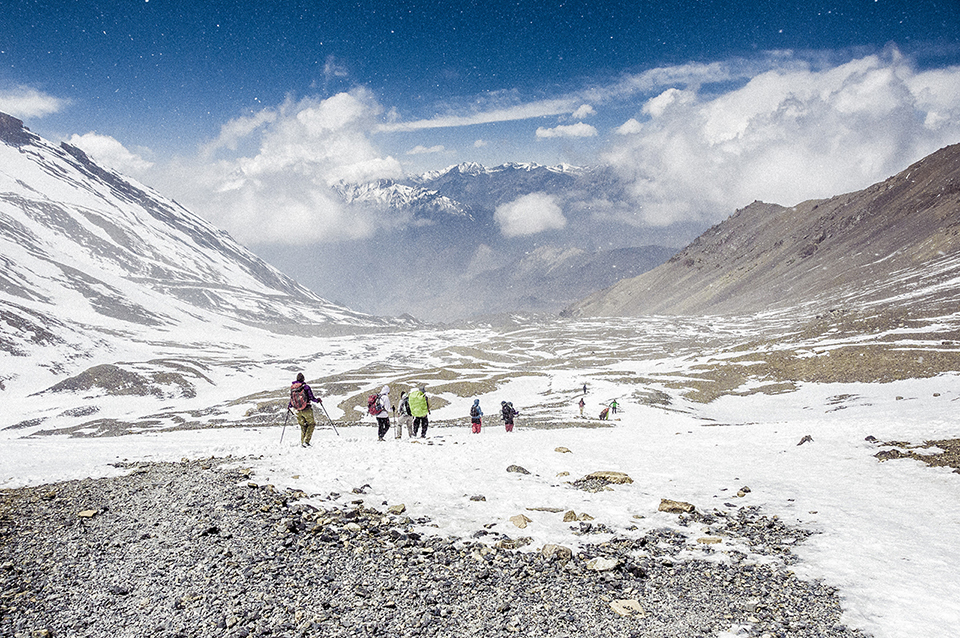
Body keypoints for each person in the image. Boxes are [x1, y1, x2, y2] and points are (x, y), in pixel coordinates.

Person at [289, 373, 322, 448]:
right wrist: (317, 400)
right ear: (303, 379)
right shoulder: (306, 387)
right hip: (306, 409)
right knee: (311, 424)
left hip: (297, 410)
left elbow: (291, 398)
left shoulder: (293, 388)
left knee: (303, 426)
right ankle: (306, 442)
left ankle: (302, 442)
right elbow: (311, 397)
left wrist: (289, 406)